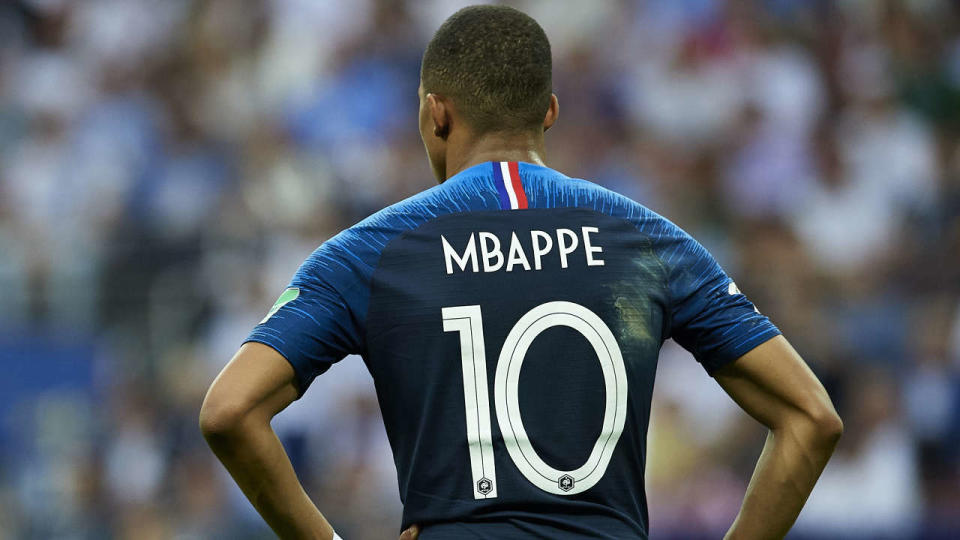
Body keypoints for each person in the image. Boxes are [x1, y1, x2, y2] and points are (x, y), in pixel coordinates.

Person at [199, 5, 842, 539]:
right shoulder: (649, 241)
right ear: (550, 112)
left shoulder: (373, 251)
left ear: (436, 113)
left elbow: (229, 410)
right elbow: (811, 418)